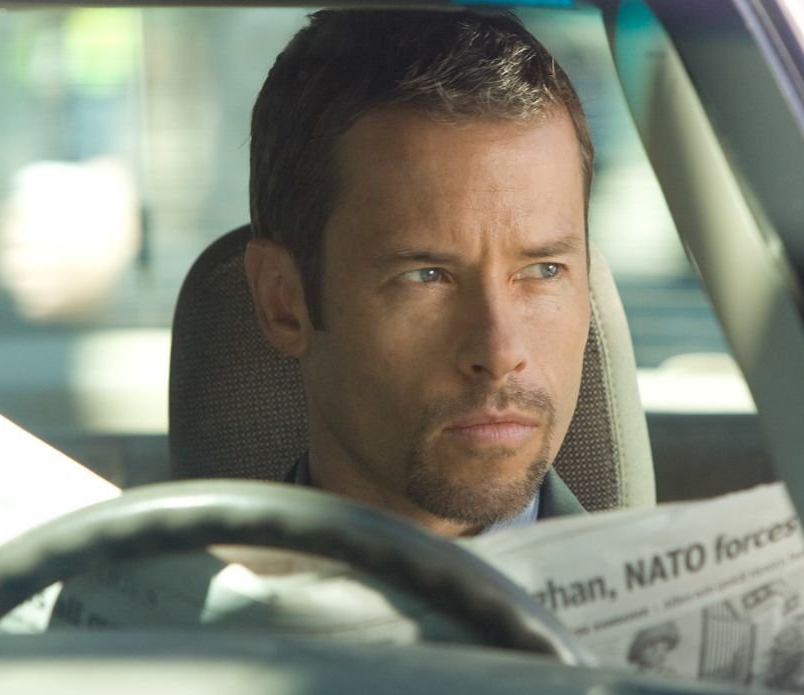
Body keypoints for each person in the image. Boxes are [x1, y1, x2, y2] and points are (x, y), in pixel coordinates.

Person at [244, 10, 596, 537]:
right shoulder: (176, 594)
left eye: (544, 270)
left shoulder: (688, 592)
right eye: (427, 276)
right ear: (283, 303)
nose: (500, 353)